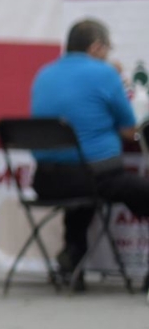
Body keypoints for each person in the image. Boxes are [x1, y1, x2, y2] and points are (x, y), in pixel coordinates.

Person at [29, 18, 149, 285]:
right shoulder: (104, 73)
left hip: (45, 181)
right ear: (96, 47)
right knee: (134, 189)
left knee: (84, 196)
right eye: (108, 49)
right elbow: (131, 130)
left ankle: (73, 258)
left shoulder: (44, 73)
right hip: (92, 177)